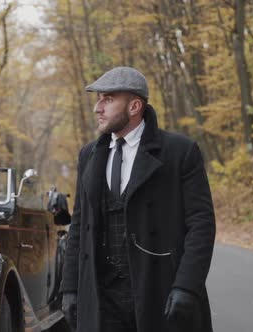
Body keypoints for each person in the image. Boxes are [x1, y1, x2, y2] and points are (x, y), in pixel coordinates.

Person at [61, 67, 216, 332]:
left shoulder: (179, 152)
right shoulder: (88, 155)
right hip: (102, 296)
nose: (98, 108)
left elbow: (201, 224)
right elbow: (79, 225)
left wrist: (187, 285)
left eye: (107, 99)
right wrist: (70, 288)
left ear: (134, 106)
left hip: (160, 291)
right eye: (99, 99)